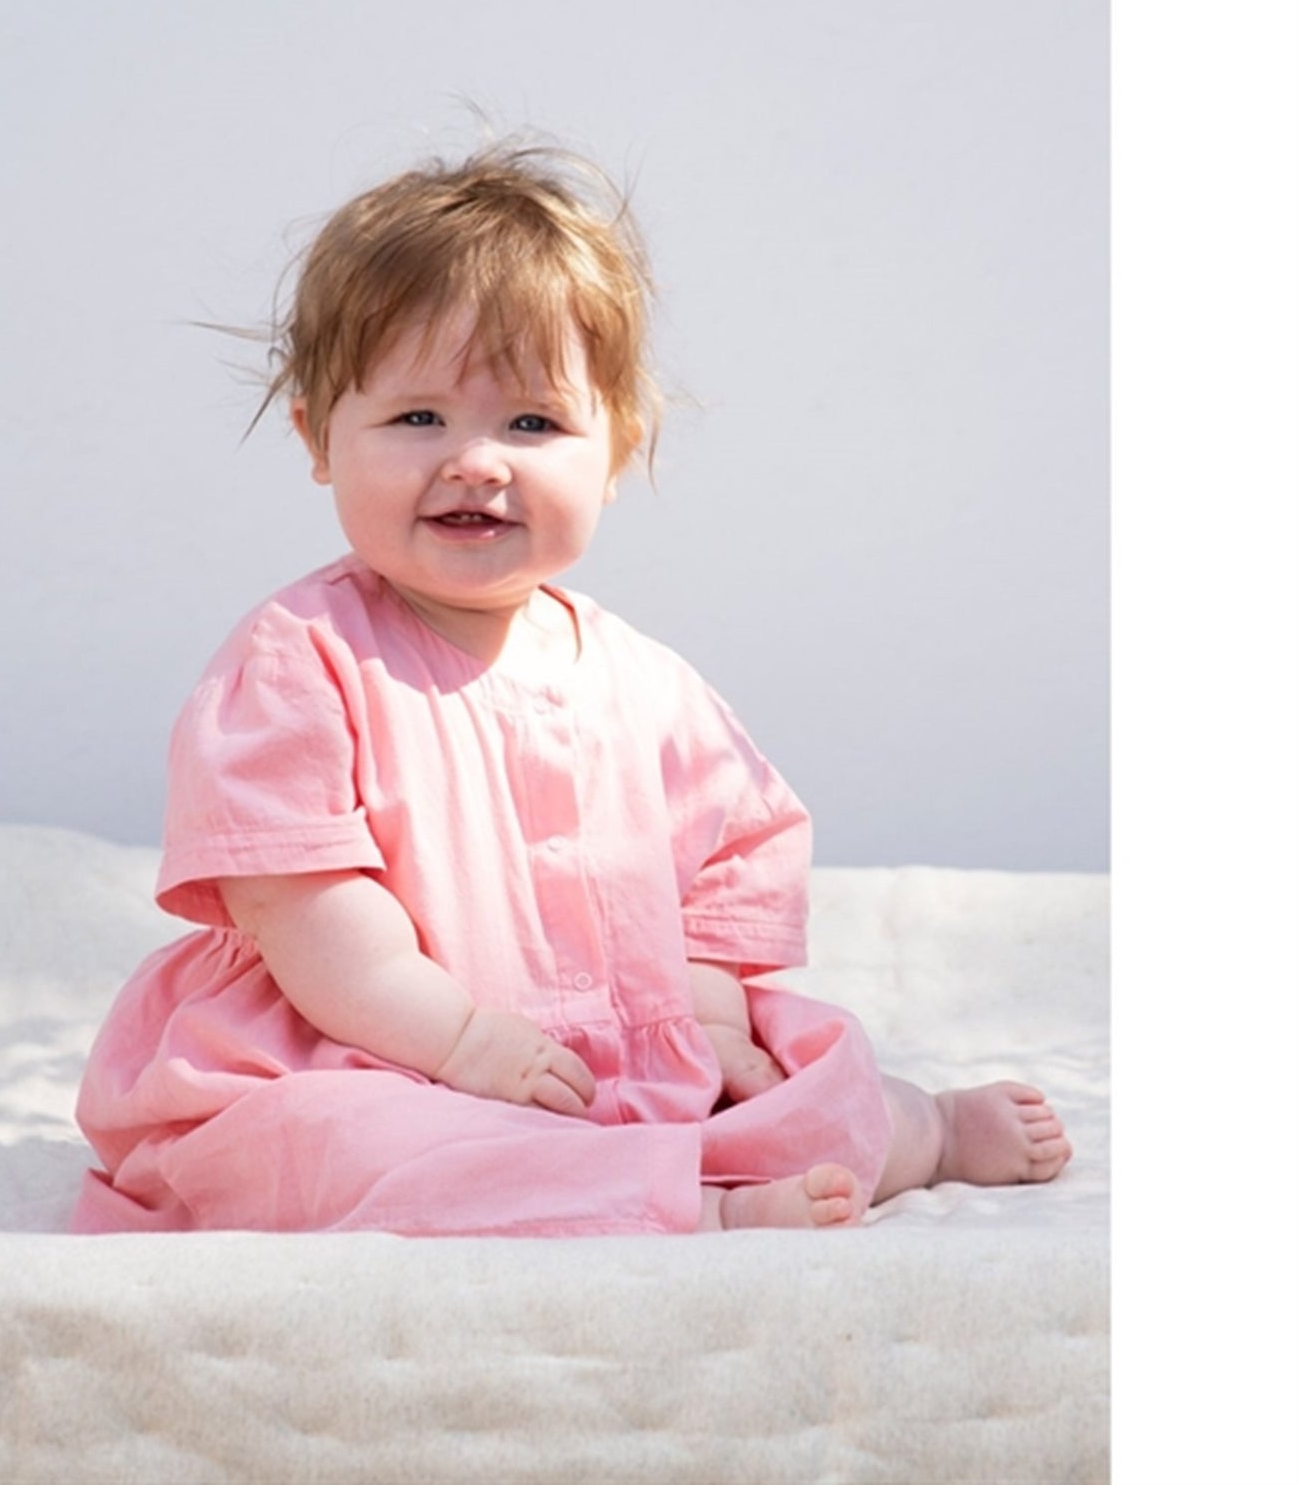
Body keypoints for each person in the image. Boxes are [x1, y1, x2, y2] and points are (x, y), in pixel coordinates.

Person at [71, 141, 1071, 1236]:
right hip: (370, 1046)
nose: (476, 461)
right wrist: (460, 1042)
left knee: (814, 1081)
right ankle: (689, 1206)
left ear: (616, 449)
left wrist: (707, 1017)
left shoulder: (648, 684)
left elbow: (731, 857)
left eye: (533, 423)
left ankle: (928, 1129)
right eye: (418, 418)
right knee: (335, 1147)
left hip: (626, 1046)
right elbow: (304, 909)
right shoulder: (298, 660)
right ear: (320, 437)